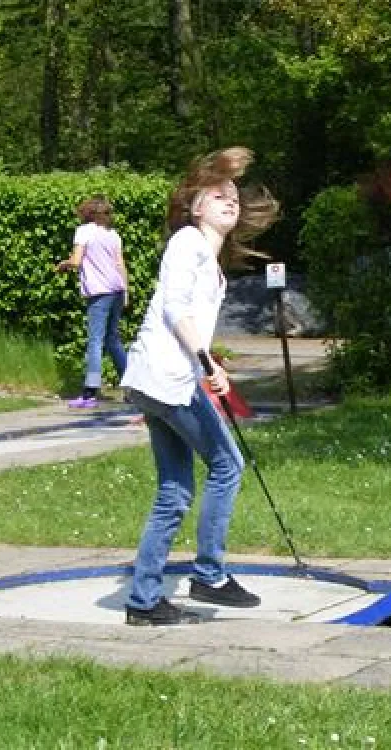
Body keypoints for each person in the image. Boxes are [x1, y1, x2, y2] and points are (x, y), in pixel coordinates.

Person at [120, 147, 279, 626]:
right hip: (168, 379)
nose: (230, 200)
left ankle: (144, 600)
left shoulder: (207, 258)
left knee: (174, 489)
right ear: (195, 207)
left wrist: (208, 363)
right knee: (227, 465)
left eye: (234, 195)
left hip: (157, 379)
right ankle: (209, 575)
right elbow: (173, 307)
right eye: (218, 194)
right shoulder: (187, 241)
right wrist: (206, 359)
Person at [55, 195, 129, 408]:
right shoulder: (113, 235)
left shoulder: (84, 231)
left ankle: (89, 393)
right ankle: (132, 388)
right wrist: (126, 292)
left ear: (87, 213)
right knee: (113, 341)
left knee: (95, 342)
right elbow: (120, 264)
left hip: (99, 292)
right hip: (116, 290)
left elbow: (77, 261)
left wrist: (64, 264)